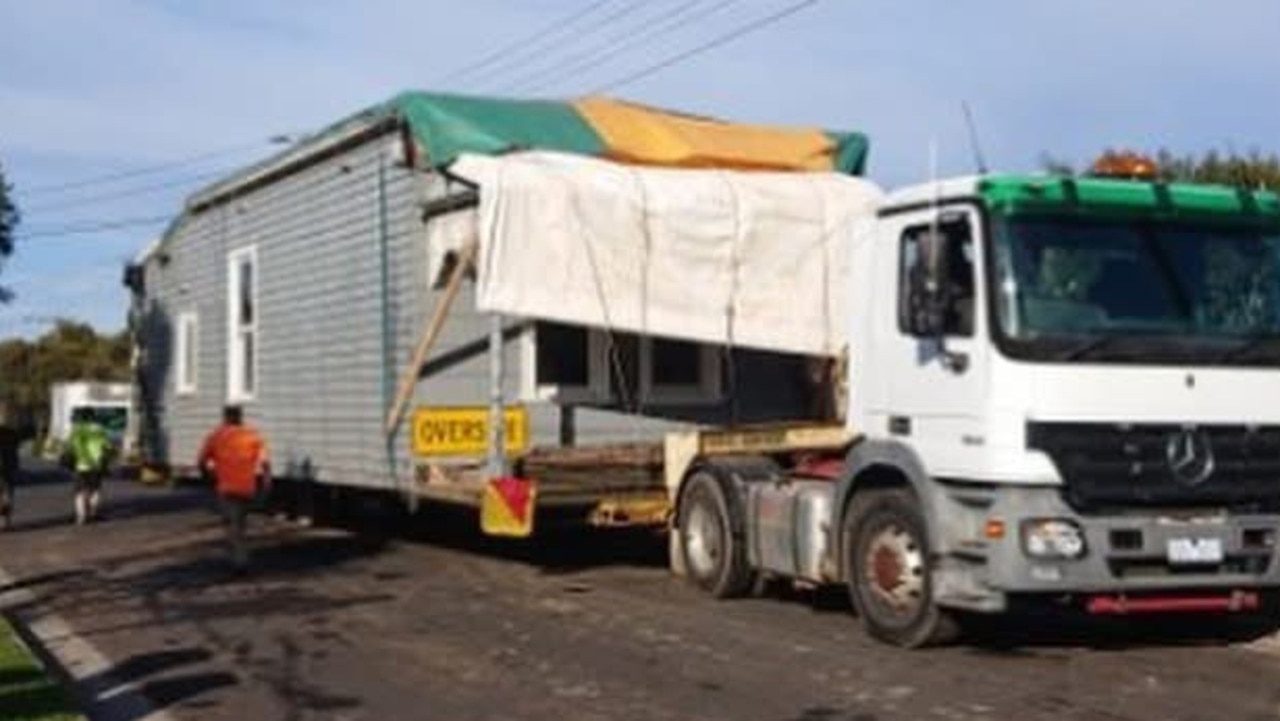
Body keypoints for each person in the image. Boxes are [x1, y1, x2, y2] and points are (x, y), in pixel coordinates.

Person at [198, 405, 270, 574]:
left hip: (226, 488)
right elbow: (265, 462)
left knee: (232, 525)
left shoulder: (216, 436)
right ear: (240, 417)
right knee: (239, 523)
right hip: (247, 488)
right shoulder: (252, 435)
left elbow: (201, 462)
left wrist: (209, 477)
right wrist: (266, 483)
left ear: (225, 418)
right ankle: (239, 556)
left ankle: (239, 561)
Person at [66, 408, 112, 525]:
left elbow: (71, 446)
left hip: (81, 465)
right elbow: (108, 446)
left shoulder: (77, 430)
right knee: (95, 489)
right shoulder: (100, 429)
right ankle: (93, 512)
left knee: (79, 491)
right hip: (97, 465)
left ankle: (81, 516)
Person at [0, 405, 21, 531]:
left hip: (6, 466)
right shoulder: (12, 433)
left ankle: (5, 519)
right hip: (9, 466)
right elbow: (15, 449)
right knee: (8, 493)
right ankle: (6, 521)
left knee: (7, 493)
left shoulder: (11, 433)